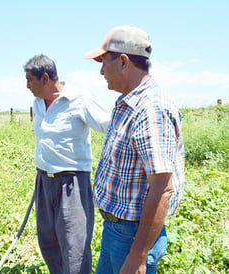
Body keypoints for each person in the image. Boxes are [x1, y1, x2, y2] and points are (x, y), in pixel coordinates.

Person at [84, 25, 185, 273]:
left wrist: (139, 254)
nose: (100, 71)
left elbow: (162, 187)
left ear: (123, 62)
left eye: (104, 62)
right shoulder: (130, 102)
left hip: (132, 235)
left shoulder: (151, 109)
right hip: (118, 230)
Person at [23, 54, 110, 273]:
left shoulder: (79, 99)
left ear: (45, 78)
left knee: (74, 246)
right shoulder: (37, 103)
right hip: (44, 180)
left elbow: (111, 126)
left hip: (72, 183)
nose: (27, 86)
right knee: (48, 241)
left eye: (29, 80)